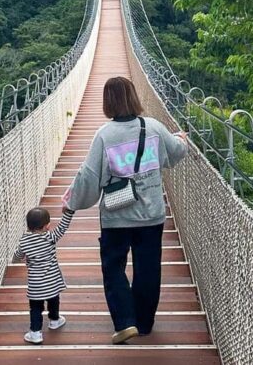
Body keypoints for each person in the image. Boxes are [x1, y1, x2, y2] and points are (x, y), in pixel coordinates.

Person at [64, 76, 188, 344]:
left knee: (113, 268)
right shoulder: (153, 127)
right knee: (148, 268)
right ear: (133, 97)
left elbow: (89, 176)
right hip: (152, 214)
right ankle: (144, 323)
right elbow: (177, 152)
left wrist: (72, 201)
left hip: (116, 216)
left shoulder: (104, 135)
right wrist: (181, 139)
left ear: (107, 102)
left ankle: (125, 322)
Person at [15, 206, 74, 344]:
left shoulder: (24, 242)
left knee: (35, 307)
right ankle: (54, 320)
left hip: (35, 285)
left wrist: (20, 256)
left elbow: (18, 256)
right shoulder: (50, 237)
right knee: (54, 301)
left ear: (28, 226)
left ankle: (35, 333)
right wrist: (69, 212)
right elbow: (62, 227)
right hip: (52, 282)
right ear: (47, 226)